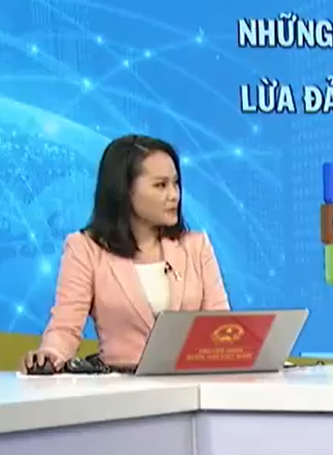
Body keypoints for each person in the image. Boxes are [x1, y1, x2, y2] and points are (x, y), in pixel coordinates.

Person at [22, 134, 230, 372]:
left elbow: (221, 326)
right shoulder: (85, 249)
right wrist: (50, 356)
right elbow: (65, 328)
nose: (174, 195)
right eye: (160, 185)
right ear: (125, 190)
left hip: (193, 380)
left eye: (175, 183)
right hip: (120, 386)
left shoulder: (196, 246)